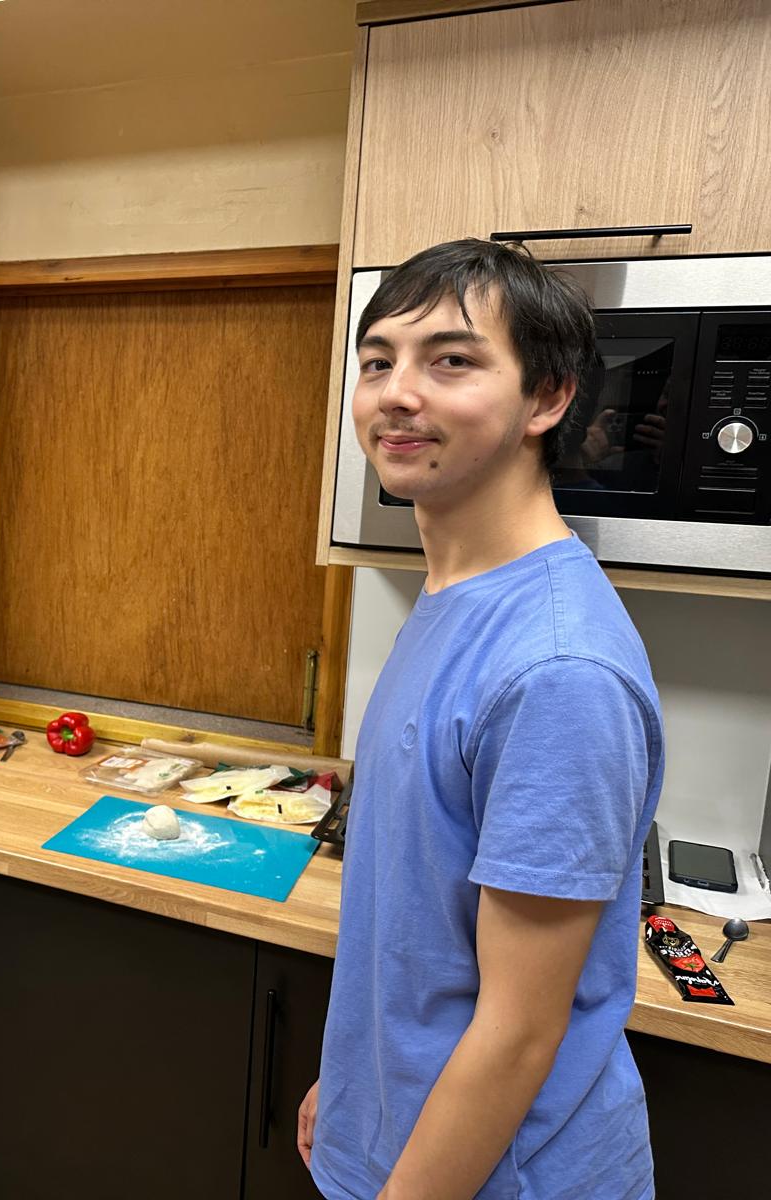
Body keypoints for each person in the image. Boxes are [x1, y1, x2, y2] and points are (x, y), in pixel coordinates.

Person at [298, 240, 663, 1200]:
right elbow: (427, 927)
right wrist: (356, 1086)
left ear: (546, 399)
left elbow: (518, 1029)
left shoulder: (556, 667)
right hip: (402, 1138)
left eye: (451, 360)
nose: (396, 393)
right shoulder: (458, 594)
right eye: (378, 361)